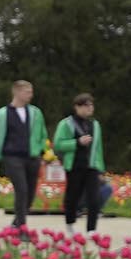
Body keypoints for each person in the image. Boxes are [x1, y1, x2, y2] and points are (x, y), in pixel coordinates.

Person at [0, 80, 46, 227]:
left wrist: (44, 154)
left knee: (30, 194)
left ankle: (16, 223)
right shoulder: (2, 114)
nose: (31, 95)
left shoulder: (35, 112)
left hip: (32, 157)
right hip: (12, 157)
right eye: (28, 92)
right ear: (17, 92)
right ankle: (22, 228)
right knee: (22, 190)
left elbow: (42, 135)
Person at [52, 94, 105, 234]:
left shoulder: (95, 125)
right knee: (72, 197)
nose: (90, 108)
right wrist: (77, 142)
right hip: (74, 166)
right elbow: (58, 144)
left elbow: (98, 149)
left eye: (91, 105)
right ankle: (70, 223)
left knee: (94, 198)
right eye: (86, 105)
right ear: (77, 107)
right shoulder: (66, 124)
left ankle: (91, 230)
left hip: (91, 167)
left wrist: (100, 170)